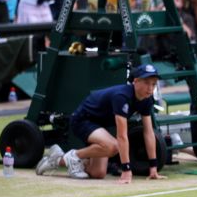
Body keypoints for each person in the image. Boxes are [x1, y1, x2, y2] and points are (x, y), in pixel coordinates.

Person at [36, 64, 166, 183]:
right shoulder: (122, 96)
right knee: (113, 146)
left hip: (99, 126)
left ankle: (57, 159)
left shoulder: (146, 99)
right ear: (135, 81)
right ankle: (74, 156)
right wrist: (126, 170)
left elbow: (148, 132)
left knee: (97, 173)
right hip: (82, 120)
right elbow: (121, 136)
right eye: (147, 83)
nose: (150, 88)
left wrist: (153, 168)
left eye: (154, 84)